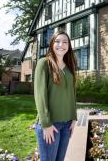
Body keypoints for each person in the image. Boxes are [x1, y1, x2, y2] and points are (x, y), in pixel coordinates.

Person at [34, 31, 77, 161]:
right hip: (51, 124)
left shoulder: (69, 67)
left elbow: (72, 94)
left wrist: (74, 117)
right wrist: (46, 124)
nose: (61, 45)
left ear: (69, 45)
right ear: (52, 43)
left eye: (65, 42)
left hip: (67, 124)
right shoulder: (44, 63)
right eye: (57, 41)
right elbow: (40, 95)